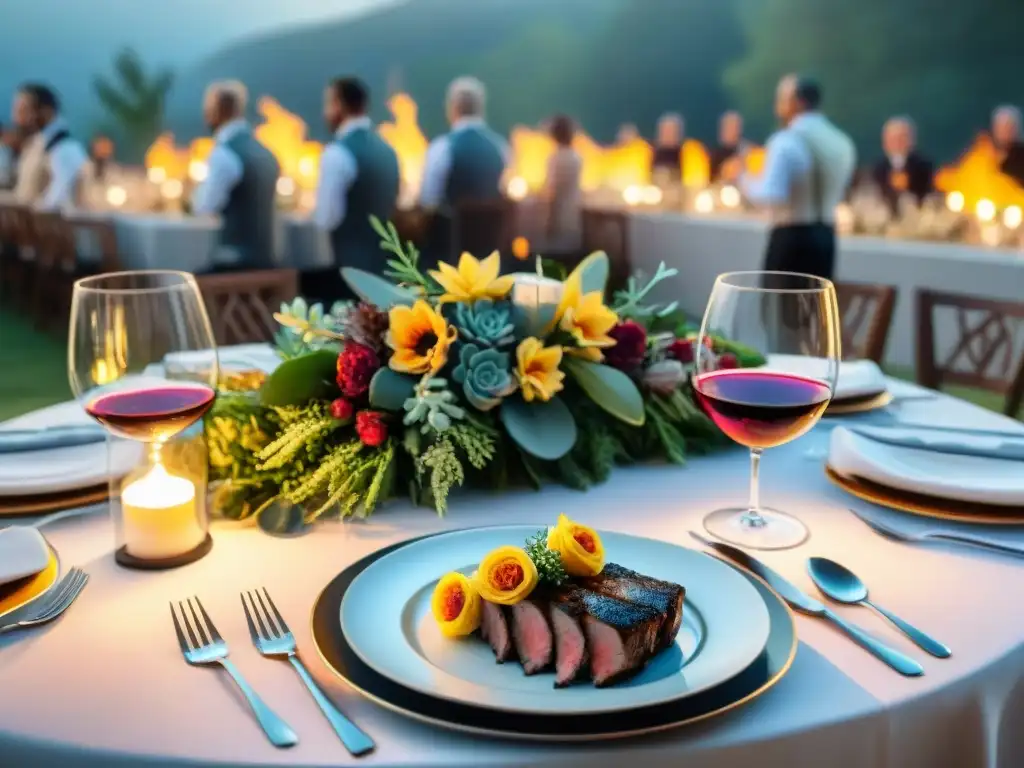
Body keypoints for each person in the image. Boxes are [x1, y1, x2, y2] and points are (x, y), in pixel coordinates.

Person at [740, 75, 855, 280]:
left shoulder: (785, 141)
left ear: (798, 101)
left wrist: (742, 178)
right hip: (827, 238)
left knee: (778, 308)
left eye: (782, 98)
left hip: (790, 239)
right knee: (817, 307)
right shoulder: (842, 142)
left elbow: (771, 195)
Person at [310, 77, 399, 301]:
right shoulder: (388, 151)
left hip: (347, 277)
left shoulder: (337, 153)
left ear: (339, 105)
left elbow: (326, 219)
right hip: (384, 272)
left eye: (328, 104)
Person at [419, 77, 509, 266]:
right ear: (481, 107)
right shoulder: (501, 148)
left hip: (449, 254)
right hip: (490, 255)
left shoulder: (442, 148)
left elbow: (428, 201)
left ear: (452, 107)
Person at [192, 80, 280, 271]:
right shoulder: (266, 153)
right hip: (268, 257)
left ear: (217, 110)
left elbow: (204, 207)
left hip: (234, 261)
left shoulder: (225, 154)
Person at [13, 84, 87, 210]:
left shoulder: (65, 148)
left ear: (46, 111)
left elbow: (58, 202)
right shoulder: (36, 144)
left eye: (24, 111)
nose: (17, 118)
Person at [871, 116, 933, 210]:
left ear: (911, 140)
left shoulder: (924, 166)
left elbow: (929, 193)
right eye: (893, 138)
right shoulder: (877, 169)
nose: (897, 143)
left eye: (901, 138)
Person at [541, 114, 582, 253]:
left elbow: (554, 192)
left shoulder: (556, 159)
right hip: (574, 218)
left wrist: (549, 222)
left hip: (560, 220)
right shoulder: (576, 157)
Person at [710, 111, 749, 183]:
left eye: (734, 127)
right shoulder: (713, 155)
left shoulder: (747, 152)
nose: (732, 131)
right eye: (728, 127)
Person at [991, 105, 1024, 187]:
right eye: (1001, 127)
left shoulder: (1021, 158)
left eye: (1009, 127)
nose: (1005, 132)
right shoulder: (985, 153)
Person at [650, 113, 683, 182]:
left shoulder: (685, 155)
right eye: (665, 130)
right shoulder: (649, 154)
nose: (668, 134)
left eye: (671, 131)